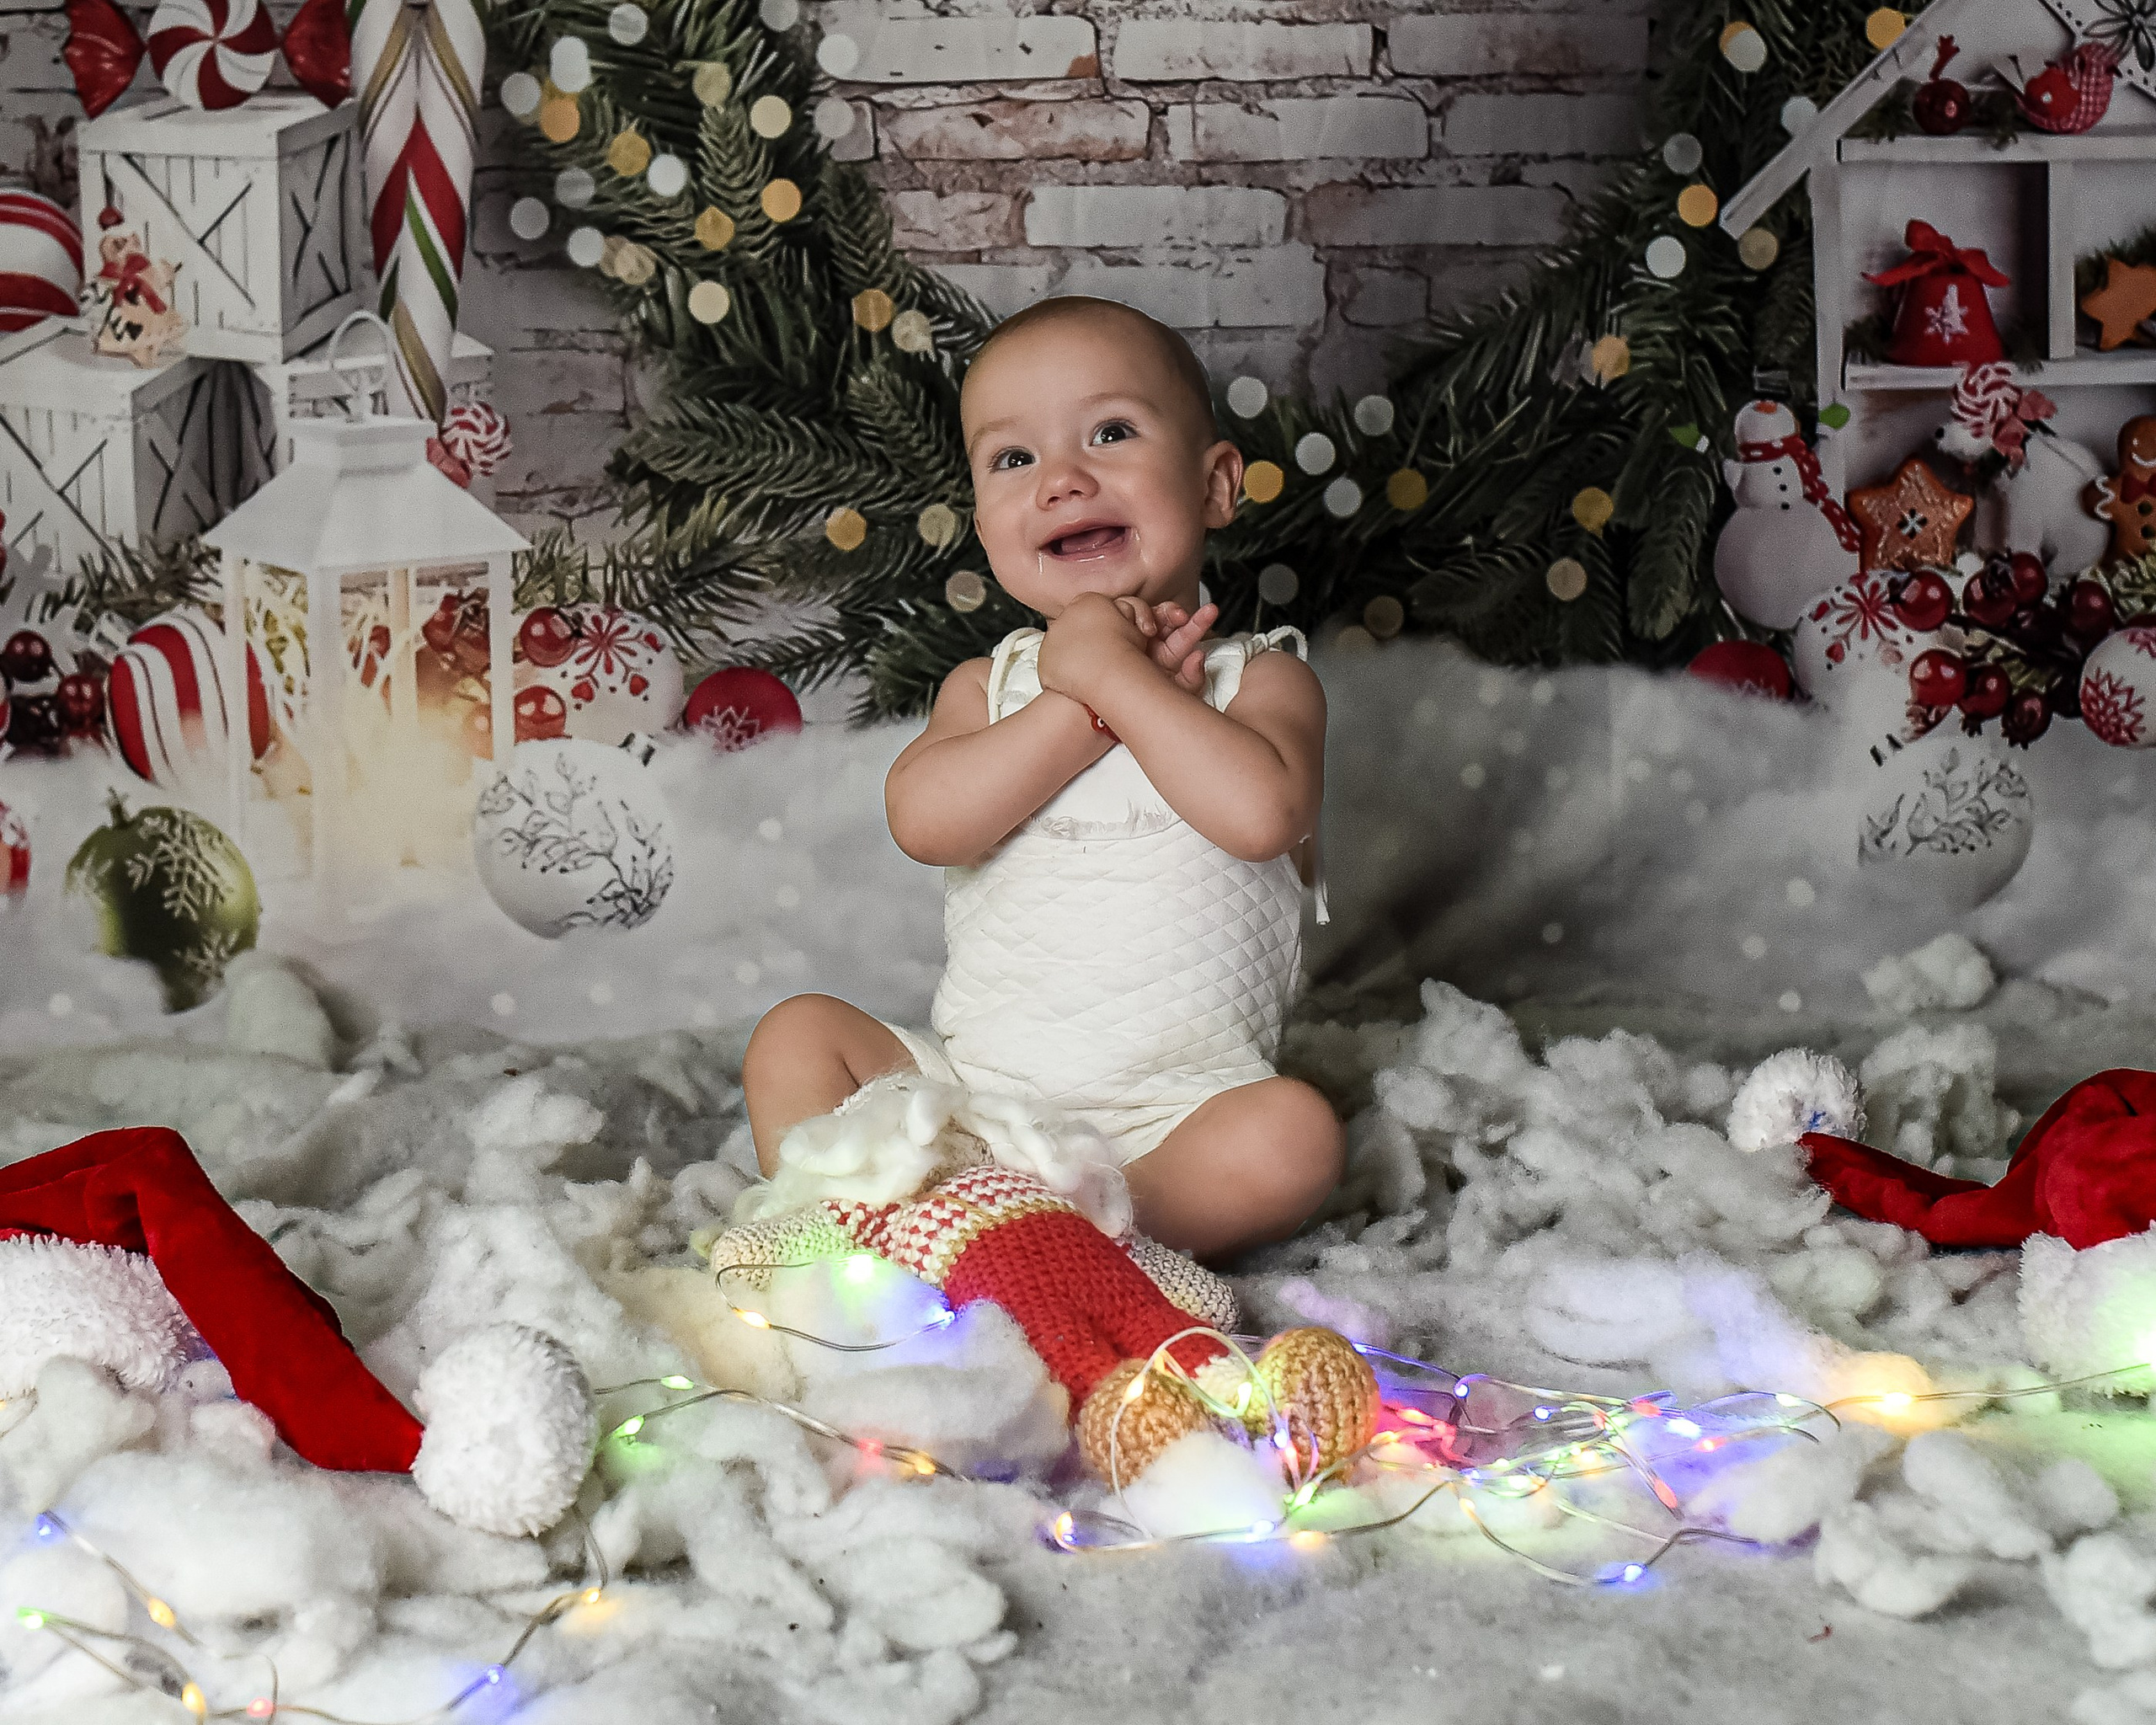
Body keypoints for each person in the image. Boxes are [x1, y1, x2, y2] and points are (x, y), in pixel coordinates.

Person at [739, 296, 1341, 1259]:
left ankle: (1060, 1240)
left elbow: (1262, 813)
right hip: (972, 1099)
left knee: (1295, 1135)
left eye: (1110, 432)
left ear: (1216, 484)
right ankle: (845, 1234)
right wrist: (1078, 704)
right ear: (985, 524)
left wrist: (1118, 676)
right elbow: (925, 822)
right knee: (797, 1035)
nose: (1063, 479)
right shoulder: (990, 686)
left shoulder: (1261, 678)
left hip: (1166, 1125)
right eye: (1013, 459)